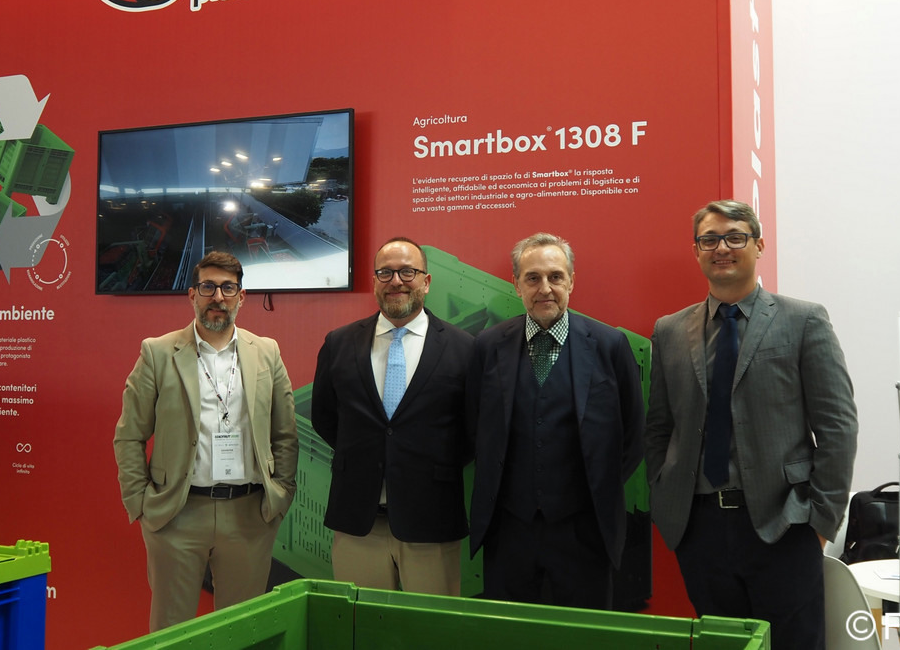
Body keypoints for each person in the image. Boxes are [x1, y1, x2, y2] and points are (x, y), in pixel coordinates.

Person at [645, 200, 857, 650]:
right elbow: (659, 426)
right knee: (722, 644)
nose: (721, 248)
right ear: (696, 251)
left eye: (735, 237)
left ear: (758, 245)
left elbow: (838, 425)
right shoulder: (669, 330)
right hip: (699, 528)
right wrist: (666, 502)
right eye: (709, 240)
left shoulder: (803, 320)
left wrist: (821, 521)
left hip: (784, 524)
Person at [113, 250, 298, 632]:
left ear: (241, 297)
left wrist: (280, 495)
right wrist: (141, 503)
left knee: (241, 630)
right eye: (208, 287)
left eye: (228, 288)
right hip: (178, 514)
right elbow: (130, 435)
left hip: (249, 515)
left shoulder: (267, 352)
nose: (218, 297)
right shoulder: (158, 353)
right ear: (192, 295)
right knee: (172, 631)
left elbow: (285, 433)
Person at [468, 232, 644, 609]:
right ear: (517, 285)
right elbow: (474, 425)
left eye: (555, 277)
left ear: (571, 282)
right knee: (509, 630)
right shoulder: (488, 346)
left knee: (584, 632)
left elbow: (633, 433)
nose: (545, 288)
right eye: (532, 278)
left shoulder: (610, 345)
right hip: (508, 529)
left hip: (585, 530)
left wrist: (595, 488)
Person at [312, 237, 474, 594]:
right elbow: (325, 417)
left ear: (426, 282)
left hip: (431, 520)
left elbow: (473, 431)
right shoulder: (339, 343)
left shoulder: (465, 348)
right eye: (385, 273)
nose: (396, 281)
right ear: (374, 281)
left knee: (431, 623)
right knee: (361, 622)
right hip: (358, 522)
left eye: (407, 272)